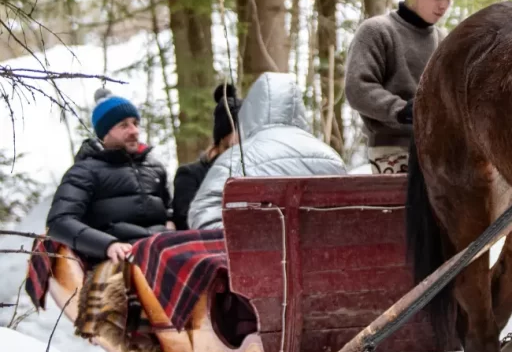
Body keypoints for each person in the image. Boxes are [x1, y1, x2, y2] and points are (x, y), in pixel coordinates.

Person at [344, 0, 461, 174]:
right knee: (404, 208)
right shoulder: (376, 31)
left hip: (438, 151)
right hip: (392, 150)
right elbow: (357, 88)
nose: (444, 5)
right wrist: (402, 110)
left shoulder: (442, 39)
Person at [188, 72, 347, 230]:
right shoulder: (331, 157)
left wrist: (244, 241)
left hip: (252, 252)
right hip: (321, 252)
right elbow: (348, 215)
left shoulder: (235, 157)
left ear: (252, 112)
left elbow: (203, 216)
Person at [46, 89, 172, 263]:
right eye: (124, 125)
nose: (134, 131)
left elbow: (169, 209)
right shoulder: (83, 172)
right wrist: (108, 245)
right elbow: (59, 221)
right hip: (121, 256)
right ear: (104, 133)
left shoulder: (155, 168)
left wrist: (171, 221)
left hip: (164, 247)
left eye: (135, 123)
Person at [171, 83, 241, 230]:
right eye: (240, 129)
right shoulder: (190, 175)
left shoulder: (255, 174)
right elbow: (186, 221)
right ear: (223, 136)